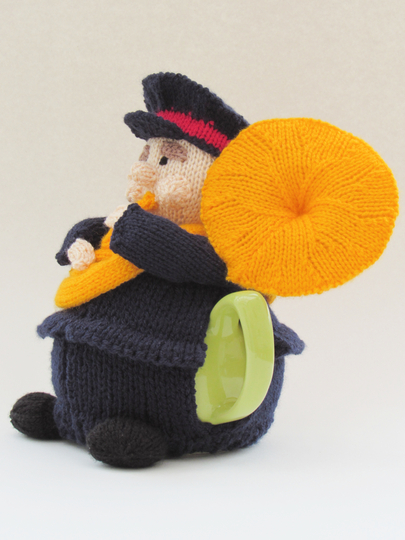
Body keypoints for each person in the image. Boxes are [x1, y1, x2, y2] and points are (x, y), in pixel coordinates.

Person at [10, 73, 304, 468]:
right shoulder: (129, 223)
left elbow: (175, 253)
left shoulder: (229, 253)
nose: (143, 171)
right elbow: (97, 229)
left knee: (154, 356)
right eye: (147, 155)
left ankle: (152, 427)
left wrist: (134, 228)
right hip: (92, 397)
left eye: (164, 160)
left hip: (186, 401)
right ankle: (72, 413)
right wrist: (78, 243)